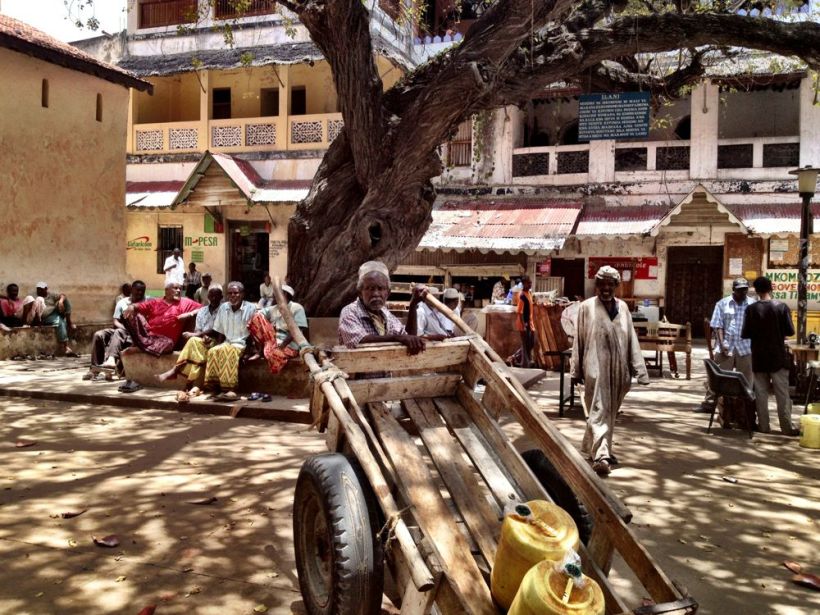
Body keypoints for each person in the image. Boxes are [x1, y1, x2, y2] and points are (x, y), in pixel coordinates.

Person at [570, 266, 649, 476]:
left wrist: (639, 370)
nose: (605, 288)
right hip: (595, 367)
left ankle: (596, 448)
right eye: (602, 284)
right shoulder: (586, 307)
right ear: (596, 285)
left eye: (610, 284)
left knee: (609, 412)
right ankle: (602, 456)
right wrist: (575, 370)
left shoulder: (623, 308)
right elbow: (579, 338)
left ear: (616, 286)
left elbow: (631, 338)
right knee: (599, 410)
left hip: (619, 370)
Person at [741, 276, 799, 436]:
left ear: (756, 291)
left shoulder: (751, 309)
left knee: (760, 393)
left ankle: (764, 427)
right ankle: (786, 427)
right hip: (778, 357)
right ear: (771, 288)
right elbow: (790, 331)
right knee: (782, 393)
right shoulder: (781, 307)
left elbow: (745, 333)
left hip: (759, 357)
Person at [338, 260, 425, 354]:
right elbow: (361, 340)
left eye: (380, 288)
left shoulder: (386, 314)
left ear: (388, 293)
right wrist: (397, 338)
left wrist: (413, 305)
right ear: (360, 292)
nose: (376, 294)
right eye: (370, 289)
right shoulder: (350, 311)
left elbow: (409, 337)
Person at [696, 277, 755, 413]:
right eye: (740, 290)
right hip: (726, 346)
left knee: (746, 379)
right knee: (718, 377)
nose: (743, 293)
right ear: (733, 290)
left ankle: (745, 408)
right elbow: (717, 325)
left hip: (745, 346)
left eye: (745, 290)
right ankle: (709, 404)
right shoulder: (722, 304)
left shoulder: (752, 304)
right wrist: (722, 344)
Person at [156, 285, 224, 399]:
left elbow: (218, 329)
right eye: (211, 295)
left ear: (221, 297)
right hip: (202, 340)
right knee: (196, 347)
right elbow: (198, 329)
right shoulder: (203, 311)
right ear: (208, 296)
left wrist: (197, 335)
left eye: (216, 295)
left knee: (193, 341)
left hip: (218, 340)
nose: (213, 298)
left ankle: (178, 372)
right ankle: (193, 385)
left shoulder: (225, 309)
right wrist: (201, 336)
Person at [203, 281, 257, 400]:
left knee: (229, 351)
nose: (232, 295)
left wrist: (250, 351)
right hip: (228, 342)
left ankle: (230, 390)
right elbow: (220, 330)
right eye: (230, 293)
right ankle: (215, 389)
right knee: (213, 351)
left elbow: (254, 332)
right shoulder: (224, 307)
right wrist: (219, 344)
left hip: (242, 343)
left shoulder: (251, 308)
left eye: (236, 293)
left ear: (242, 294)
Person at [85, 281, 147, 379]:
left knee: (118, 332)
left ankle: (111, 361)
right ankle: (94, 369)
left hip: (138, 332)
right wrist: (125, 328)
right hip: (123, 329)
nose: (140, 293)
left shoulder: (148, 302)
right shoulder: (122, 302)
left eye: (142, 291)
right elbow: (116, 321)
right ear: (132, 290)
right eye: (137, 290)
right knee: (99, 334)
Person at [249, 283, 309, 374]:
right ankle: (260, 350)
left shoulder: (297, 308)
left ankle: (273, 355)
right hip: (272, 341)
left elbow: (298, 331)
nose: (273, 296)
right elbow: (257, 316)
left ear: (285, 295)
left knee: (274, 355)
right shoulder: (273, 308)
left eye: (276, 294)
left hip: (289, 344)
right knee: (257, 317)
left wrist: (282, 346)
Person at [36, 282, 77, 356]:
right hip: (46, 316)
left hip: (55, 312)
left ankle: (69, 321)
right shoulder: (37, 298)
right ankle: (65, 346)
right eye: (38, 289)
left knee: (65, 300)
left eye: (41, 289)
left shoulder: (51, 295)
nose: (39, 291)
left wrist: (60, 301)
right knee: (60, 322)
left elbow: (63, 295)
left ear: (46, 289)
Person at [516, 275, 536, 367]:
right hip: (524, 323)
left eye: (531, 282)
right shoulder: (522, 295)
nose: (530, 284)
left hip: (530, 323)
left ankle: (518, 359)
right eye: (529, 283)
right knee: (525, 344)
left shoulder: (529, 294)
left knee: (531, 343)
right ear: (524, 284)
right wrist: (524, 325)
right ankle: (525, 363)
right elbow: (519, 312)